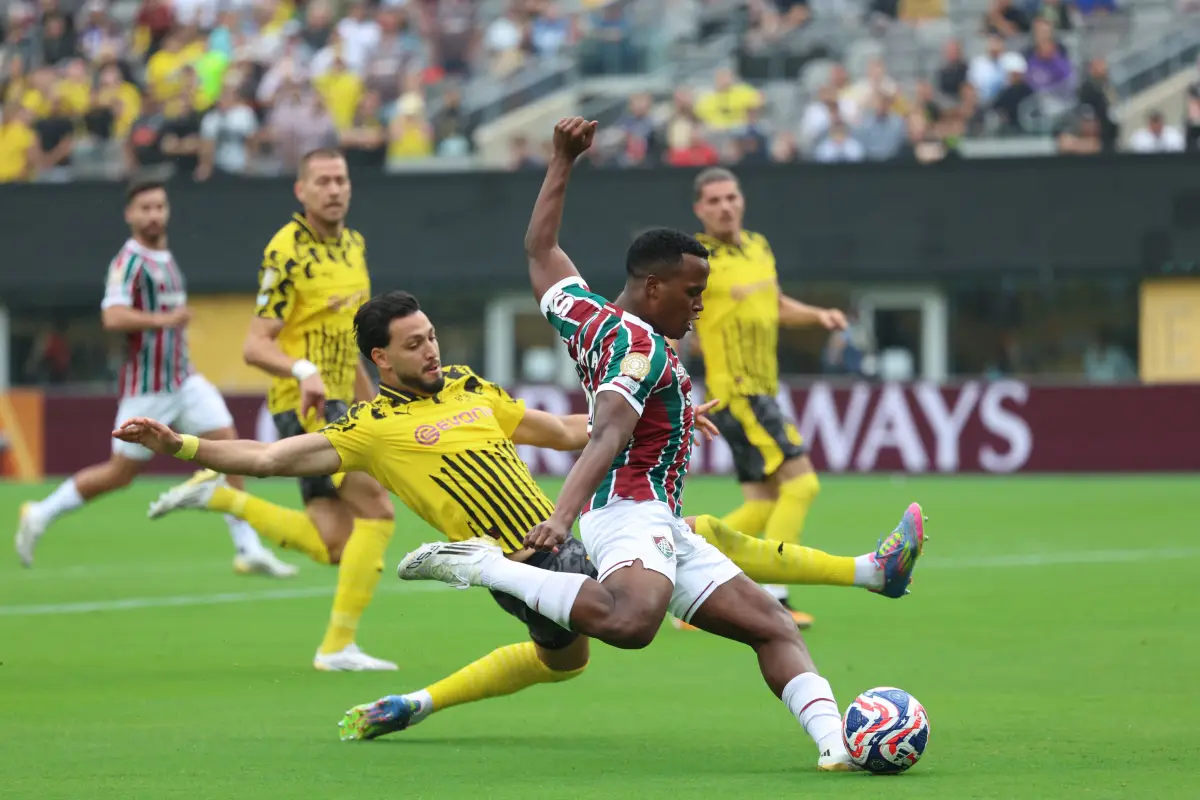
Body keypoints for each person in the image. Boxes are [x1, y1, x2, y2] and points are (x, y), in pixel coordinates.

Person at [115, 290, 920, 742]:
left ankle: (414, 704)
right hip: (524, 561)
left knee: (568, 661)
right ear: (380, 362)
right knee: (686, 534)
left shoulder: (469, 387)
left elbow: (564, 430)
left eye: (432, 335)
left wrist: (658, 415)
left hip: (557, 538)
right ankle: (867, 572)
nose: (430, 351)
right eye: (413, 345)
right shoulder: (367, 431)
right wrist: (180, 441)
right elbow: (264, 458)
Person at [390, 118, 925, 771]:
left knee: (771, 626)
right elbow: (610, 429)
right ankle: (484, 567)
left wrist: (561, 160)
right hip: (626, 515)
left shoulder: (590, 314)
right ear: (653, 288)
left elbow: (539, 251)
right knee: (631, 625)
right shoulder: (640, 347)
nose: (699, 306)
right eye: (692, 292)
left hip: (661, 521)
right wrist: (560, 519)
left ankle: (834, 747)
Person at [149, 149, 396, 672]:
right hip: (304, 402)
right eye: (322, 181)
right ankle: (336, 648)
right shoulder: (285, 251)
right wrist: (303, 371)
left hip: (343, 401)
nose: (334, 189)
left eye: (341, 180)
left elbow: (350, 339)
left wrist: (373, 402)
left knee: (334, 542)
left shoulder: (355, 246)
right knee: (377, 509)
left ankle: (223, 497)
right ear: (301, 191)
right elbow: (255, 345)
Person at [14, 181, 294, 579]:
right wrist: (164, 320)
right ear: (129, 214)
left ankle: (247, 548)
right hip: (148, 389)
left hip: (184, 379)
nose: (154, 215)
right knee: (119, 474)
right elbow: (112, 317)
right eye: (145, 207)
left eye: (159, 206)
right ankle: (41, 513)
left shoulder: (163, 256)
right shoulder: (128, 261)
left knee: (231, 447)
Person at [687, 166, 849, 630]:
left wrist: (819, 316)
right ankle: (774, 598)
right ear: (700, 209)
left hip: (761, 387)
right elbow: (675, 313)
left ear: (742, 200)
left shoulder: (759, 247)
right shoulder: (698, 259)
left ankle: (688, 576)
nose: (724, 206)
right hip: (739, 392)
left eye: (730, 197)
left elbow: (775, 305)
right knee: (802, 485)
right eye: (713, 200)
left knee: (761, 504)